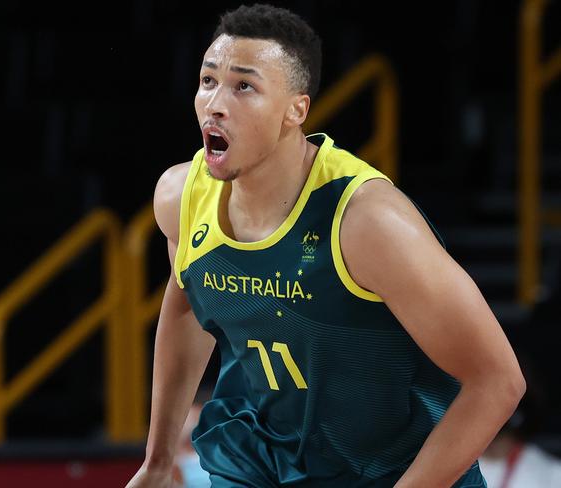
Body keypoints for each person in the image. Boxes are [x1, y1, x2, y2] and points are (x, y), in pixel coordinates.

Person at [126, 4, 525, 487]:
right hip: (264, 456)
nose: (215, 103)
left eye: (244, 86)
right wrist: (159, 461)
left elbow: (498, 380)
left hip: (393, 468)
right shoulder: (180, 197)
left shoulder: (368, 223)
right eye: (208, 80)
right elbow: (187, 303)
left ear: (297, 109)